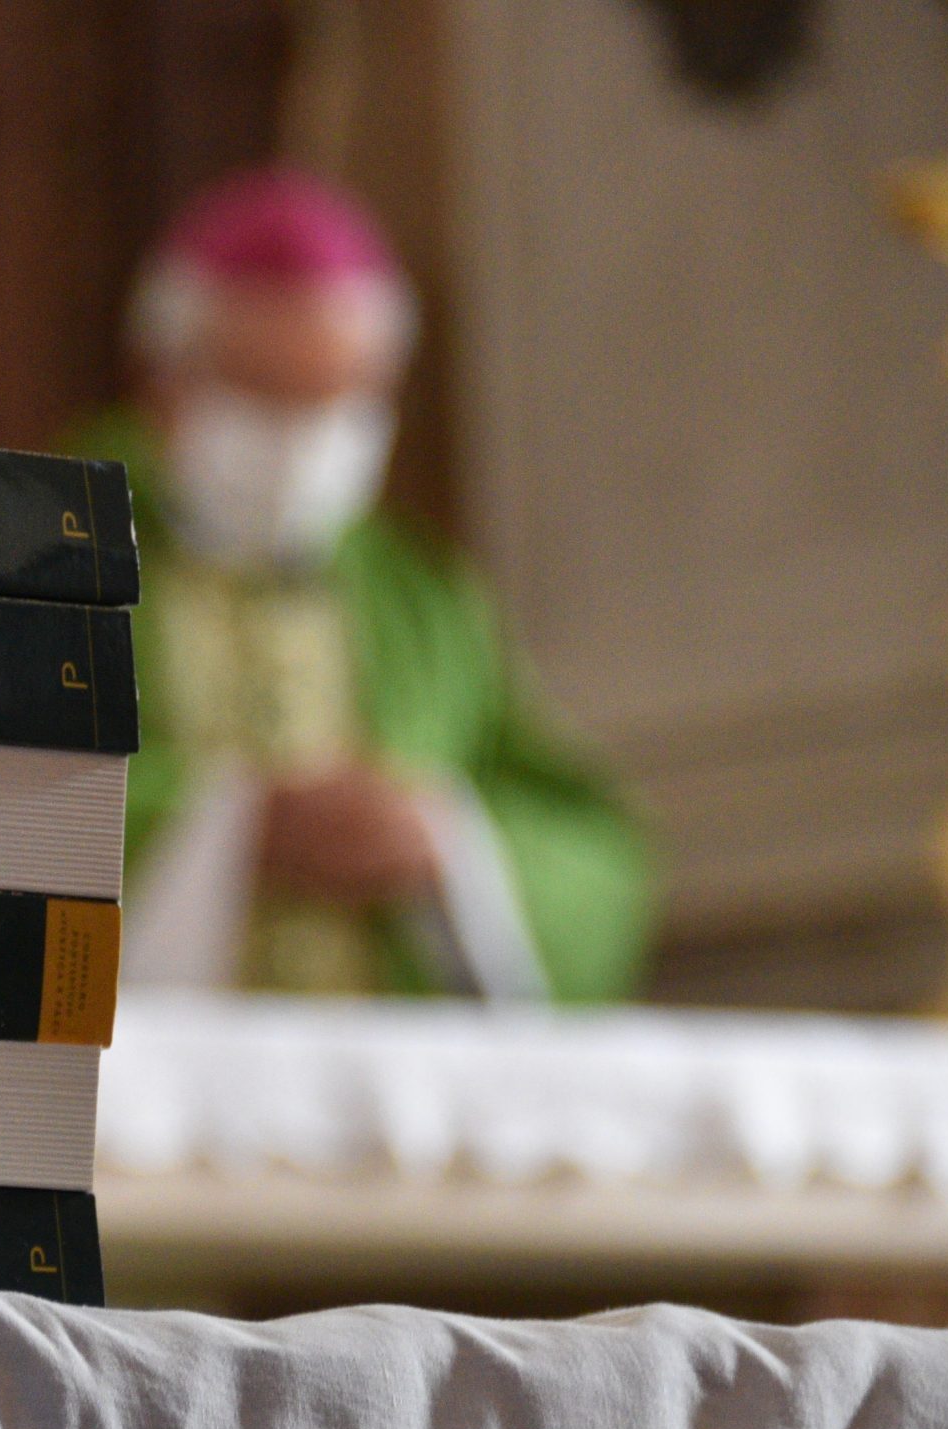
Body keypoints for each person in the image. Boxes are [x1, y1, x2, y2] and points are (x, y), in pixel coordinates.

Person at [82, 168, 650, 1002]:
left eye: (339, 404)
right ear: (164, 384)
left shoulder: (423, 601)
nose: (300, 443)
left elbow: (596, 855)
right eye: (262, 396)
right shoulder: (50, 554)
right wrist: (230, 827)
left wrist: (448, 845)